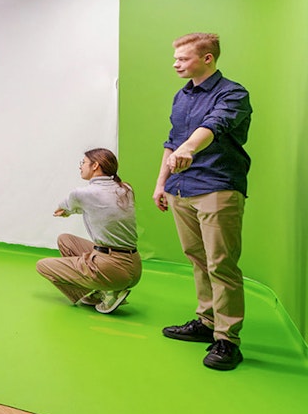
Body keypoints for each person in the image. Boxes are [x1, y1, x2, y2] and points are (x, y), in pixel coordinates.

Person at [154, 33, 252, 371]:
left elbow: (214, 125)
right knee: (197, 259)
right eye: (176, 58)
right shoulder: (181, 97)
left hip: (217, 187)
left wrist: (189, 149)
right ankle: (206, 322)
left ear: (207, 59)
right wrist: (161, 183)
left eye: (183, 58)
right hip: (181, 188)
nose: (175, 64)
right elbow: (172, 140)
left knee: (221, 263)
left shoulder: (233, 93)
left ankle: (227, 340)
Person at [36, 148, 142, 314]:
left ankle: (108, 289)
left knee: (42, 266)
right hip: (135, 265)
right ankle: (104, 290)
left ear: (95, 166)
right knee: (65, 240)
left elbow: (65, 205)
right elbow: (98, 208)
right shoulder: (125, 189)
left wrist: (66, 211)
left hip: (112, 268)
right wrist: (72, 210)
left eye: (83, 163)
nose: (81, 167)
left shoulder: (82, 194)